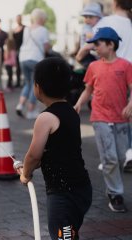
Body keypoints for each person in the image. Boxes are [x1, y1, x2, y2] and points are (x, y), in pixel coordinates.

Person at [16, 57, 92, 239]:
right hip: (82, 188)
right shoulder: (71, 112)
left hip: (63, 194)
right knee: (69, 232)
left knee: (63, 234)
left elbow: (34, 155)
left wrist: (25, 174)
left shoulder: (45, 118)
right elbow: (59, 149)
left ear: (38, 87)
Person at [74, 27, 132, 212]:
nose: (94, 48)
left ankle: (113, 189)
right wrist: (78, 104)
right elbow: (88, 89)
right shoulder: (93, 66)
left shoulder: (125, 65)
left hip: (121, 119)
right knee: (110, 158)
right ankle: (116, 194)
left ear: (110, 44)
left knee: (121, 156)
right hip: (99, 117)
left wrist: (130, 104)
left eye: (97, 44)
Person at [76, 0, 132, 172]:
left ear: (115, 3)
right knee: (125, 117)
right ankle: (126, 154)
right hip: (127, 71)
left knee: (109, 117)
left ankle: (112, 156)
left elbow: (93, 43)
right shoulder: (129, 22)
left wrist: (80, 54)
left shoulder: (106, 22)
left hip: (111, 72)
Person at [15, 8, 51, 120]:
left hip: (23, 58)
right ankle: (31, 110)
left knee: (28, 83)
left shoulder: (27, 29)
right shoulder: (43, 30)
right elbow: (46, 48)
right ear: (41, 18)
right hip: (35, 58)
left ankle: (20, 105)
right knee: (36, 85)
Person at [76, 2, 103, 69]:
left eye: (90, 17)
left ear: (98, 18)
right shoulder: (87, 27)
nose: (87, 19)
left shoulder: (97, 27)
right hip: (86, 55)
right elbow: (89, 40)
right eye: (85, 17)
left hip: (91, 53)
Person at [13, 14, 25, 88]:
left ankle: (24, 81)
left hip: (23, 50)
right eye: (17, 19)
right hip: (16, 50)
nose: (18, 20)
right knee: (17, 67)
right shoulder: (15, 29)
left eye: (19, 18)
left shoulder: (25, 28)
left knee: (22, 66)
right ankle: (18, 81)